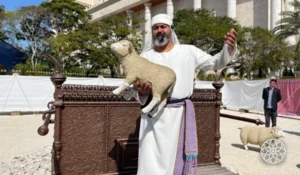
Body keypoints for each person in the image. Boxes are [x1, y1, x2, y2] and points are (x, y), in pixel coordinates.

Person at [134, 14, 238, 175]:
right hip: (152, 119)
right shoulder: (145, 58)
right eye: (156, 27)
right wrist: (142, 92)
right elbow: (136, 89)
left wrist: (228, 48)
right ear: (152, 32)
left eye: (163, 26)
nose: (159, 30)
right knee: (149, 161)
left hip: (179, 116)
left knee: (176, 160)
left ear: (170, 30)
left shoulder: (188, 51)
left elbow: (215, 62)